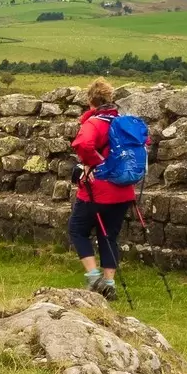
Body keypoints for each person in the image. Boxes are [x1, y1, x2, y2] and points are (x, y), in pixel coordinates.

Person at [68, 79, 134, 298]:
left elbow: (83, 145)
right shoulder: (124, 122)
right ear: (110, 99)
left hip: (97, 190)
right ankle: (109, 284)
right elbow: (144, 143)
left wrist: (94, 164)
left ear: (90, 101)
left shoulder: (94, 123)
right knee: (109, 236)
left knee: (77, 230)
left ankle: (94, 277)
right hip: (124, 190)